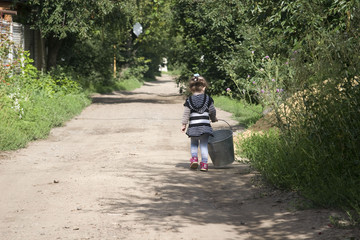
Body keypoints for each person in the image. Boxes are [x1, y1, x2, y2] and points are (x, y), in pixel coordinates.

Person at [181, 74, 218, 171]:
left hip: (193, 127)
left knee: (194, 143)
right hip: (205, 127)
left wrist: (184, 124)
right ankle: (204, 164)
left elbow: (186, 113)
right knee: (204, 145)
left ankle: (194, 159)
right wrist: (213, 119)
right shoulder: (208, 99)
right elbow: (212, 111)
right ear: (204, 87)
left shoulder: (189, 100)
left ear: (190, 88)